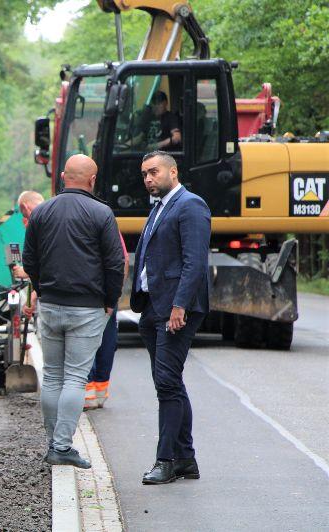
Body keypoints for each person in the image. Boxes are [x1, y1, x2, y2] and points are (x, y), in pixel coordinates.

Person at [23, 154, 125, 469]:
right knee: (76, 378)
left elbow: (30, 259)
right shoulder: (102, 213)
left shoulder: (41, 212)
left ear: (64, 176)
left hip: (51, 305)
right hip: (87, 307)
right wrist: (111, 300)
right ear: (92, 180)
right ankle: (62, 447)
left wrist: (44, 289)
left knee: (52, 375)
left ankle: (53, 444)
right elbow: (115, 262)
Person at [130, 151, 210, 485]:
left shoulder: (190, 205)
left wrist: (180, 306)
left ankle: (166, 461)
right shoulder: (160, 207)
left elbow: (195, 262)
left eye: (154, 172)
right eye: (145, 174)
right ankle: (186, 459)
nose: (149, 179)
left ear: (173, 172)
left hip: (176, 309)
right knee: (170, 383)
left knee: (166, 383)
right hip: (153, 305)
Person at [84, 233, 129, 410]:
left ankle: (88, 394)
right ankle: (100, 392)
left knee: (85, 340)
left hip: (87, 294)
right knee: (106, 340)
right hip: (108, 293)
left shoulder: (81, 225)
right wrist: (115, 295)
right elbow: (123, 261)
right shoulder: (109, 224)